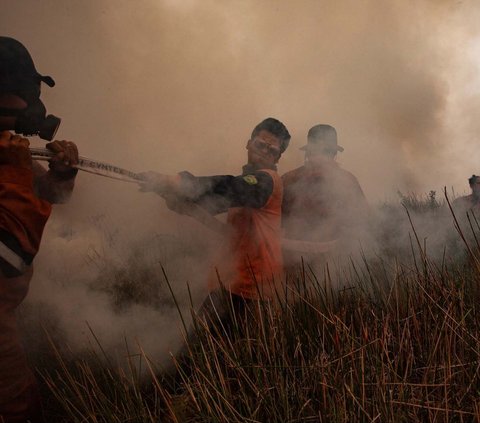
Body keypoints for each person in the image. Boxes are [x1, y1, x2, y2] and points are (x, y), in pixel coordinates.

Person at [139, 117, 291, 337]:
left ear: (278, 156)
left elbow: (230, 187)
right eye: (260, 144)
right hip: (233, 284)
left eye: (272, 149)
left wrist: (178, 182)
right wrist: (173, 195)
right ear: (249, 143)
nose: (265, 152)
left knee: (196, 356)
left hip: (250, 291)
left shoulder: (267, 181)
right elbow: (211, 207)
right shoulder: (247, 183)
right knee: (207, 356)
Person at [0, 37, 79, 423]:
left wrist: (62, 174)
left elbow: (49, 195)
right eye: (21, 95)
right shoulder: (9, 159)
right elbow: (10, 255)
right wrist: (15, 173)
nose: (30, 108)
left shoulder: (8, 151)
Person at [281, 124, 369, 268]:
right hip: (293, 262)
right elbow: (273, 222)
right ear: (309, 153)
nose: (321, 157)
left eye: (326, 152)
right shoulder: (288, 180)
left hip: (333, 264)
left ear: (334, 154)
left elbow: (361, 223)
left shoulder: (347, 182)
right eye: (317, 151)